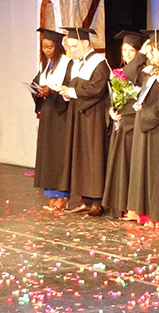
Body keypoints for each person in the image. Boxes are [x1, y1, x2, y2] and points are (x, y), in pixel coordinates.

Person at [57, 27, 111, 217]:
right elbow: (75, 87)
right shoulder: (77, 63)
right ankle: (85, 200)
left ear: (86, 43)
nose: (71, 50)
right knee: (80, 156)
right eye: (70, 46)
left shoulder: (99, 63)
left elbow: (97, 89)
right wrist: (65, 90)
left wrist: (72, 92)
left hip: (93, 117)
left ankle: (97, 202)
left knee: (94, 157)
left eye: (74, 46)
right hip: (78, 116)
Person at [127, 30, 159, 229]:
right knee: (143, 169)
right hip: (144, 124)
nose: (150, 55)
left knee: (157, 172)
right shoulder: (148, 71)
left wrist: (146, 112)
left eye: (154, 50)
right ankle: (145, 212)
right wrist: (142, 51)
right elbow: (130, 72)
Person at [102, 30, 148, 220]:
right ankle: (120, 206)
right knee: (120, 167)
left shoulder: (143, 72)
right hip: (120, 125)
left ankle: (133, 208)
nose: (127, 55)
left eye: (132, 51)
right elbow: (109, 100)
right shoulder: (118, 73)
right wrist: (111, 111)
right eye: (124, 50)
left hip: (133, 125)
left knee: (131, 167)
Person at [32, 28, 73, 211]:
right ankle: (51, 193)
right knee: (48, 153)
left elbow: (71, 88)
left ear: (58, 46)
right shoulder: (46, 65)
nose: (47, 50)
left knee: (59, 154)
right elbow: (37, 83)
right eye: (44, 47)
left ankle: (63, 195)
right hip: (48, 114)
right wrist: (37, 92)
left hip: (61, 115)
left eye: (49, 47)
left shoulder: (68, 64)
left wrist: (53, 92)